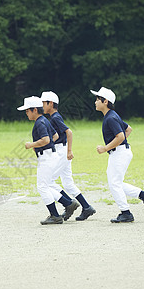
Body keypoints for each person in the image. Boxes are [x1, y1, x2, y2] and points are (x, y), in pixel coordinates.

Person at [92, 87, 144, 223]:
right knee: (116, 183)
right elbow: (128, 129)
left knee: (114, 184)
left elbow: (120, 135)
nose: (95, 102)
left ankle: (126, 213)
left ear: (105, 101)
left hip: (119, 153)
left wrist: (105, 148)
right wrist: (120, 144)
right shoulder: (112, 115)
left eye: (97, 99)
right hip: (120, 152)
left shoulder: (110, 118)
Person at [17, 96, 79, 225]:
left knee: (42, 187)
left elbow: (46, 139)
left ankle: (55, 216)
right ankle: (68, 203)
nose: (26, 113)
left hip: (47, 157)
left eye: (27, 110)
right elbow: (54, 136)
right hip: (50, 155)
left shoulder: (39, 122)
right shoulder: (45, 120)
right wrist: (44, 145)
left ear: (34, 110)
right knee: (46, 185)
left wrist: (32, 145)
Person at [41, 91, 94, 221]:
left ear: (51, 103)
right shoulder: (54, 117)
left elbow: (69, 132)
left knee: (49, 181)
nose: (42, 105)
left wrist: (69, 151)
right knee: (68, 183)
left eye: (44, 102)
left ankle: (69, 204)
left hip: (61, 152)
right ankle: (87, 207)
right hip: (62, 151)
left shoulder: (55, 118)